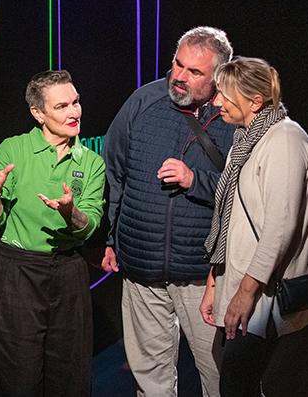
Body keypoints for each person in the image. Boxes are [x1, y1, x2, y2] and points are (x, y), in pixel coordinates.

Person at [101, 26, 235, 397]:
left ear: (218, 78)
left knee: (219, 375)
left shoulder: (232, 116)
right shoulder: (143, 101)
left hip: (202, 274)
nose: (179, 77)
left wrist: (196, 180)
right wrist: (111, 237)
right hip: (141, 267)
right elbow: (113, 171)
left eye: (194, 72)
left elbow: (245, 192)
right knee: (151, 378)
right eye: (178, 64)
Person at [0, 69, 105, 397]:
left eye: (75, 102)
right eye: (62, 106)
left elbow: (88, 226)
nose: (74, 112)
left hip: (68, 272)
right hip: (18, 272)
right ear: (38, 113)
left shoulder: (91, 162)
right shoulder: (13, 150)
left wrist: (69, 212)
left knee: (70, 373)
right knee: (18, 374)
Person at [200, 57, 308, 396]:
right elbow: (232, 220)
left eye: (225, 95)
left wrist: (243, 295)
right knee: (239, 385)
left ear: (256, 101)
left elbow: (278, 231)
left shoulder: (284, 141)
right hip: (241, 285)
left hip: (261, 297)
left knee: (240, 386)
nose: (216, 102)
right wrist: (215, 282)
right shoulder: (246, 140)